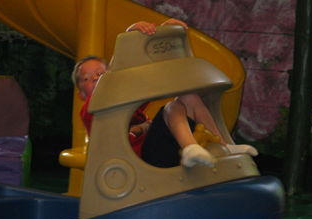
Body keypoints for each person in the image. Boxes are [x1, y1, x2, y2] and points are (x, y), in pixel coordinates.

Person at [72, 18, 257, 168]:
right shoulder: (90, 110)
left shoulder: (128, 101)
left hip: (156, 152)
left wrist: (165, 35)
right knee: (170, 108)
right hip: (135, 163)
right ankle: (190, 148)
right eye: (86, 78)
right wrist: (129, 36)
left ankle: (223, 146)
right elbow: (115, 77)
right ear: (81, 94)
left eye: (100, 74)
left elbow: (139, 75)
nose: (95, 78)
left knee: (189, 96)